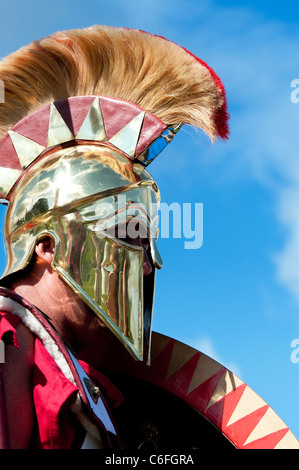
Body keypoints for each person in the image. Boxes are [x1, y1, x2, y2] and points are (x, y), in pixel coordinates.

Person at [1, 25, 295, 451]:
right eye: (126, 233)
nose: (148, 259)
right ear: (47, 245)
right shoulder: (7, 338)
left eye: (147, 238)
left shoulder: (80, 370)